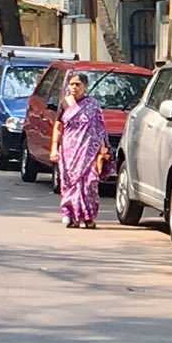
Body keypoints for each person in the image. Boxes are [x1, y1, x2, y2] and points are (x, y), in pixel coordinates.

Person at [49, 73, 113, 228]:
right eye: (72, 84)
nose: (74, 88)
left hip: (88, 151)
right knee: (70, 183)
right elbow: (58, 126)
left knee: (90, 182)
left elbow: (100, 128)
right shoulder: (64, 103)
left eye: (78, 84)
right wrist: (54, 147)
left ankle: (88, 217)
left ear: (85, 86)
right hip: (69, 151)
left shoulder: (92, 105)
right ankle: (70, 214)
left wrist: (103, 147)